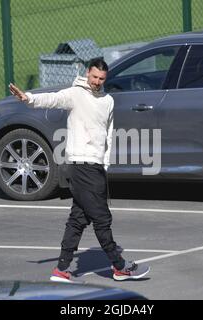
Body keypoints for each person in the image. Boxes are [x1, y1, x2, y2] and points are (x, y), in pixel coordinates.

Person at [9, 58, 150, 282]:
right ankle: (119, 266)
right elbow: (54, 99)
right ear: (88, 74)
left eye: (101, 79)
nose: (96, 82)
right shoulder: (76, 94)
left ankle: (62, 270)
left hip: (95, 167)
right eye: (94, 77)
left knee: (79, 217)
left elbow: (108, 135)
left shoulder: (108, 101)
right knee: (102, 218)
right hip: (79, 165)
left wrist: (104, 164)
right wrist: (29, 98)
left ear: (105, 78)